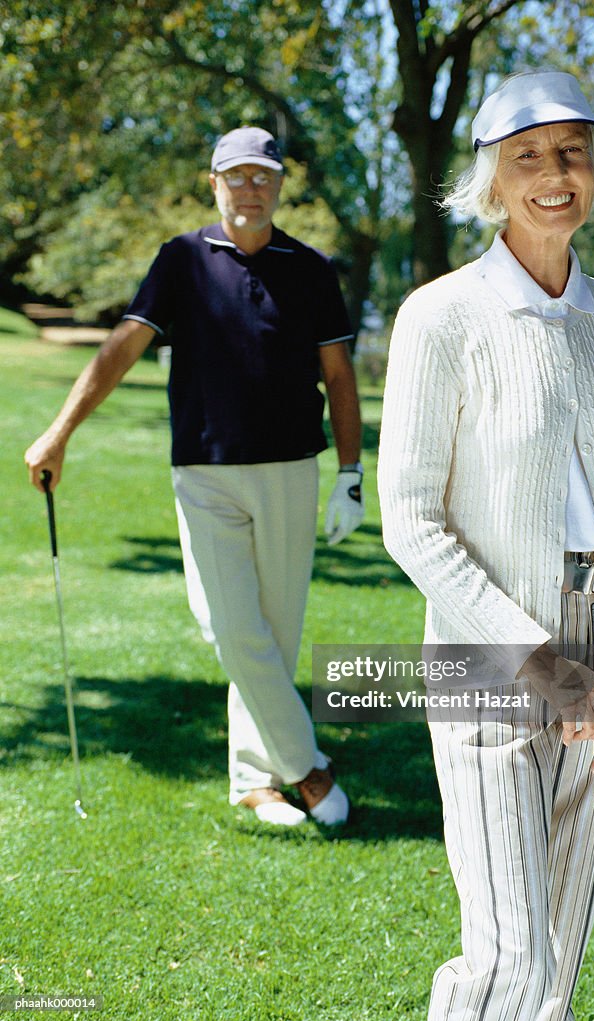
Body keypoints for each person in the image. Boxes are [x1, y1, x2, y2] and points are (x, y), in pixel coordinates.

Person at [378, 70, 594, 1021]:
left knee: (561, 953)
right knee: (510, 956)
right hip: (489, 656)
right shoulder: (440, 316)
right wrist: (538, 660)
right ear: (492, 181)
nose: (556, 174)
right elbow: (412, 522)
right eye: (528, 157)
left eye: (573, 152)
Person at [25, 126, 364, 828]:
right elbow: (123, 346)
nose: (250, 188)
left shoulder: (311, 268)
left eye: (262, 176)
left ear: (278, 185)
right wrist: (60, 432)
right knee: (231, 628)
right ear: (214, 183)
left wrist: (351, 473)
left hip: (292, 470)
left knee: (273, 633)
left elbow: (339, 374)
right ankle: (309, 769)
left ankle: (253, 778)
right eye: (235, 176)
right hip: (205, 474)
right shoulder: (181, 259)